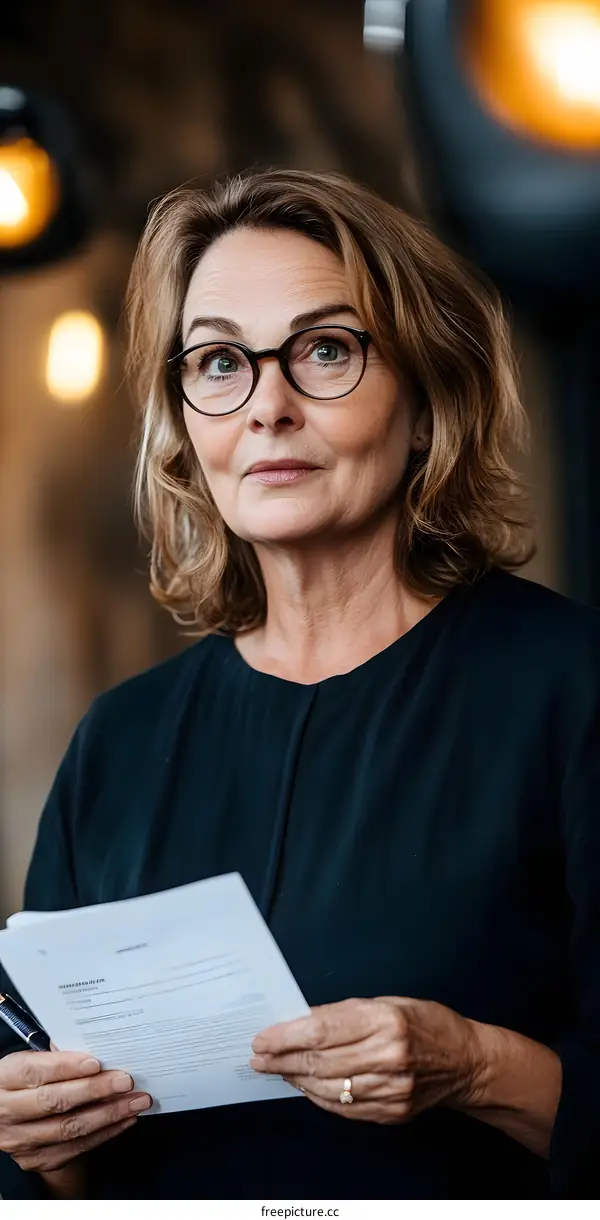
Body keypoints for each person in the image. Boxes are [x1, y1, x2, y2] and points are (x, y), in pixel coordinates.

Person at [0, 168, 598, 1201]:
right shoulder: (120, 742)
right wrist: (43, 1139)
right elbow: (62, 1159)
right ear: (187, 424)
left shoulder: (570, 688)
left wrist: (474, 1063)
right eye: (221, 361)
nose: (268, 407)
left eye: (325, 350)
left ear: (427, 401)